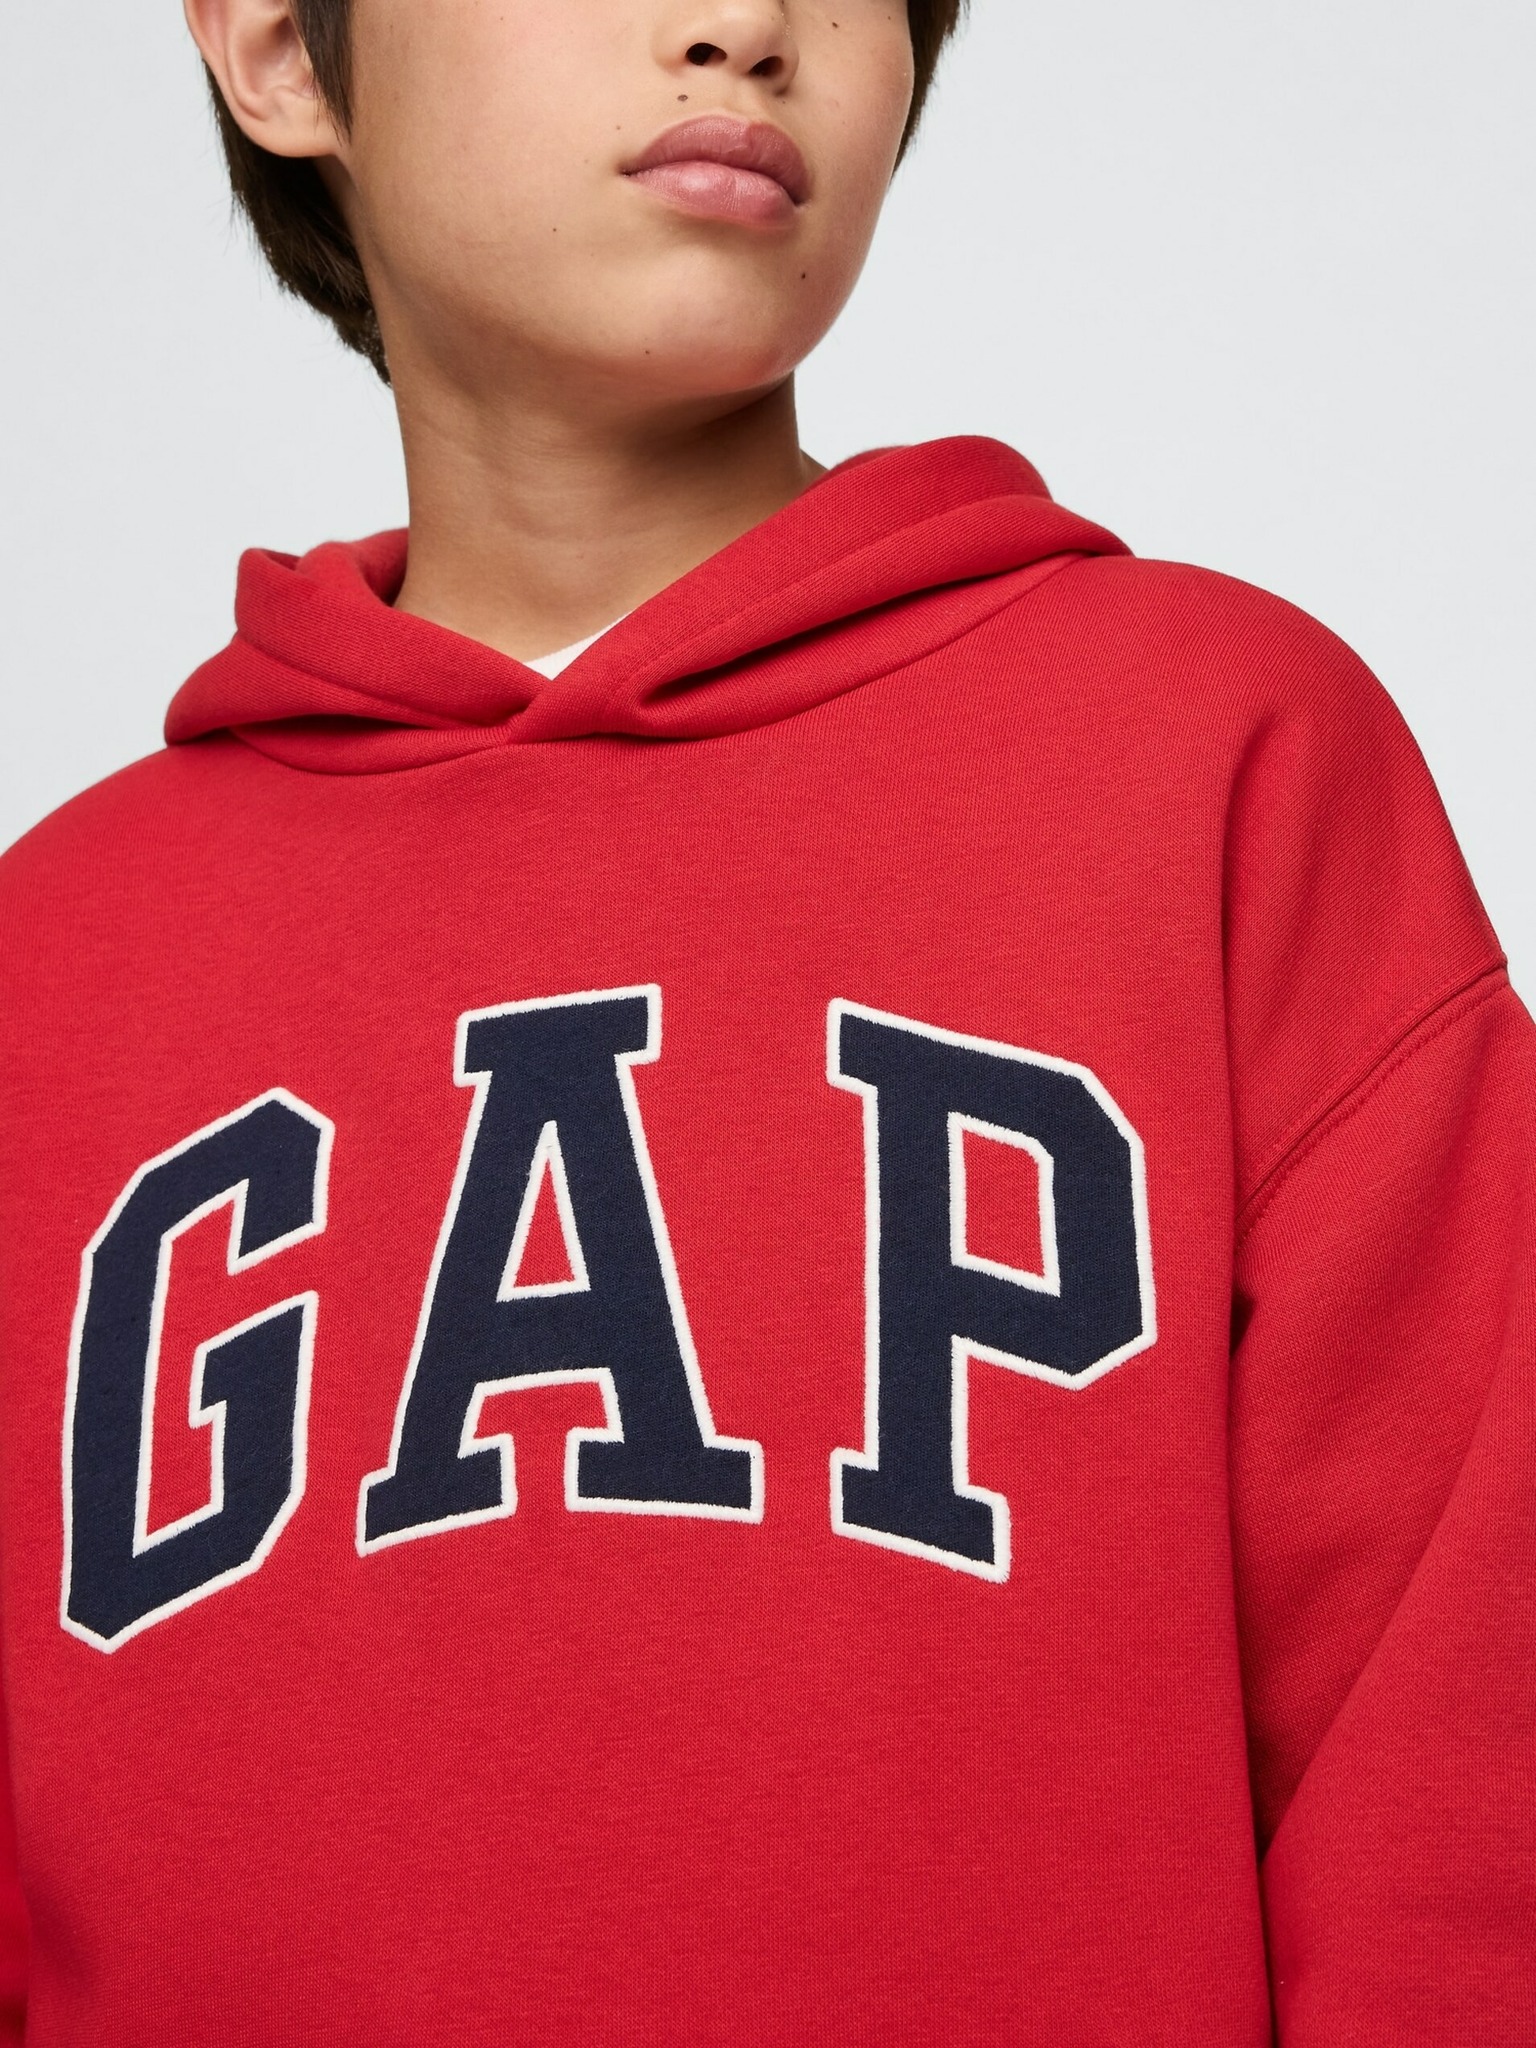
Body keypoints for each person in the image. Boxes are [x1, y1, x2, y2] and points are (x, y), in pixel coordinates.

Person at [0, 0, 1530, 2040]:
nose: (743, 28)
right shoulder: (51, 966)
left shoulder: (1211, 761)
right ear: (283, 49)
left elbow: (1458, 1790)